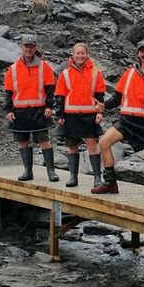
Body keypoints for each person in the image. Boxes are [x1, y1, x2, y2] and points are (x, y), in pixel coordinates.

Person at [91, 39, 144, 195]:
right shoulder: (129, 73)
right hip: (128, 121)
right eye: (142, 51)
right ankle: (110, 183)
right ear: (138, 54)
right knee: (104, 142)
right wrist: (104, 106)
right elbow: (117, 98)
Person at [4, 34, 59, 182]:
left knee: (44, 141)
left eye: (32, 46)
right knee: (22, 141)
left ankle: (51, 172)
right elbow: (8, 92)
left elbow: (49, 89)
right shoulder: (13, 69)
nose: (29, 49)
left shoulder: (44, 66)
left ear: (35, 48)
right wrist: (8, 110)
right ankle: (28, 171)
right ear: (21, 48)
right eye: (26, 46)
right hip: (19, 111)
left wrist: (49, 106)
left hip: (39, 111)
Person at [53, 42, 106, 187]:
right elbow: (60, 97)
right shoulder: (65, 74)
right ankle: (73, 177)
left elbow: (100, 96)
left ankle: (97, 178)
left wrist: (100, 113)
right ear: (73, 54)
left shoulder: (96, 73)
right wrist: (59, 115)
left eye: (83, 53)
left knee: (92, 144)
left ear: (87, 54)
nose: (80, 56)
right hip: (70, 115)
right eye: (78, 53)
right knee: (72, 146)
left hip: (89, 115)